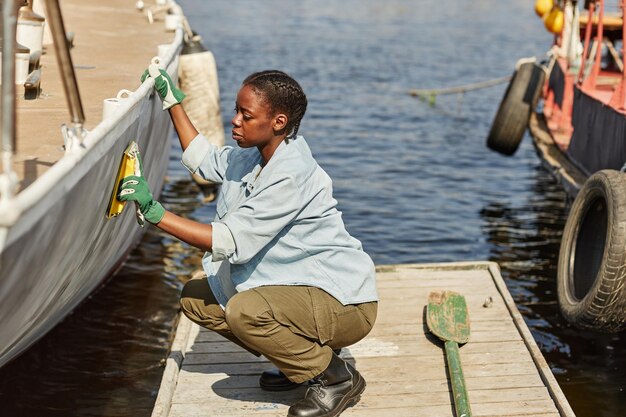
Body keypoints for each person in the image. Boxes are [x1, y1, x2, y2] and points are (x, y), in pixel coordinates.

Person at [119, 68, 378, 417]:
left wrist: (155, 213)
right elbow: (205, 160)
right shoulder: (254, 153)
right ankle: (299, 365)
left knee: (245, 312)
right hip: (296, 290)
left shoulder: (289, 173)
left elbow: (227, 241)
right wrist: (171, 102)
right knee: (197, 300)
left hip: (343, 302)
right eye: (236, 110)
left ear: (278, 121)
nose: (235, 121)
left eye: (246, 114)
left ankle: (334, 379)